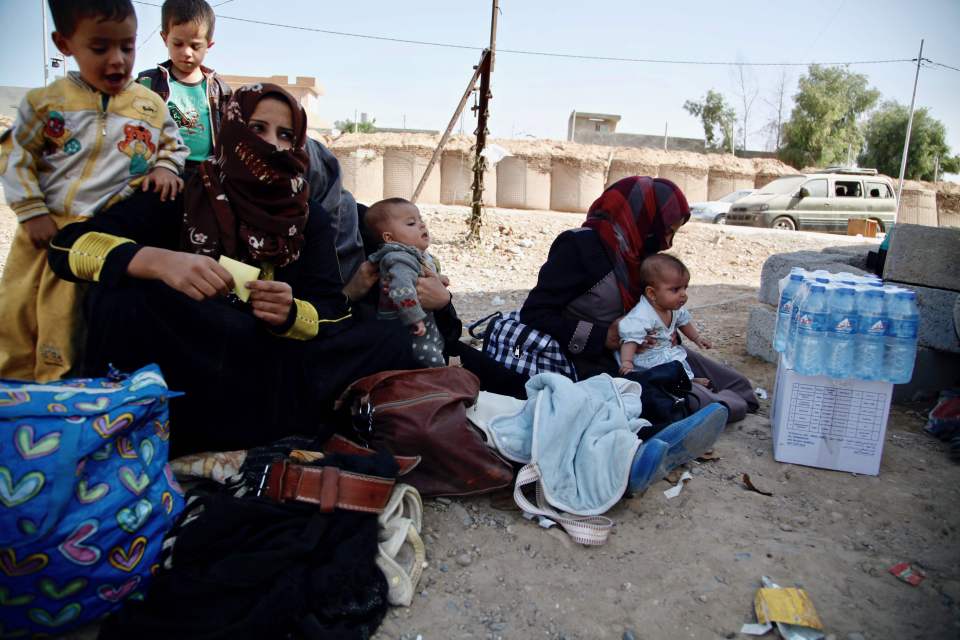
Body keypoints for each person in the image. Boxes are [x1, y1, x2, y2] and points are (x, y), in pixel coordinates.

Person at [48, 83, 418, 455]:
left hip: (264, 356)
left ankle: (235, 432)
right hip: (193, 348)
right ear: (232, 128)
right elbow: (66, 246)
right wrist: (161, 262)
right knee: (119, 294)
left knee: (387, 338)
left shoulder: (307, 217)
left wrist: (291, 313)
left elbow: (330, 311)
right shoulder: (185, 191)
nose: (272, 144)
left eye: (286, 135)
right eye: (258, 129)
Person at [0, 0, 188, 382]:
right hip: (43, 232)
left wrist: (167, 168)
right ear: (65, 43)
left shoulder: (149, 106)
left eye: (128, 47)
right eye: (100, 48)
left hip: (100, 235)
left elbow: (174, 146)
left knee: (68, 322)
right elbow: (13, 153)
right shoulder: (47, 103)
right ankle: (14, 394)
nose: (117, 60)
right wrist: (32, 210)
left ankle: (61, 398)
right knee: (17, 313)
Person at [521, 176, 759, 422]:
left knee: (737, 385)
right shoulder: (579, 248)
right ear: (643, 218)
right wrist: (602, 336)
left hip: (650, 350)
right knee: (692, 401)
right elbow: (534, 314)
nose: (668, 243)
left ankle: (707, 398)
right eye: (667, 231)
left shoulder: (641, 256)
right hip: (598, 359)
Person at [137, 0, 231, 179]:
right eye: (178, 44)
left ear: (208, 45)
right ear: (165, 39)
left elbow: (231, 134)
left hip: (206, 175)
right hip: (159, 170)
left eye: (195, 46)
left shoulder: (220, 90)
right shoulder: (147, 83)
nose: (187, 52)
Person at [364, 198, 447, 368]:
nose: (421, 225)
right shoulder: (398, 259)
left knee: (435, 349)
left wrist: (439, 280)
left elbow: (420, 277)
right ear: (389, 237)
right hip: (406, 328)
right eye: (411, 223)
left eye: (420, 220)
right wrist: (414, 317)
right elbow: (401, 289)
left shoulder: (415, 256)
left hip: (421, 326)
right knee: (429, 360)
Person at [617, 254, 712, 387]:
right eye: (675, 289)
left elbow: (684, 322)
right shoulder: (642, 315)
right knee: (661, 374)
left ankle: (689, 381)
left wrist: (696, 338)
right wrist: (627, 361)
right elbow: (630, 339)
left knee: (677, 362)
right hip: (646, 357)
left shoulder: (674, 308)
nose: (683, 294)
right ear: (652, 293)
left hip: (664, 351)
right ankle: (686, 384)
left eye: (685, 287)